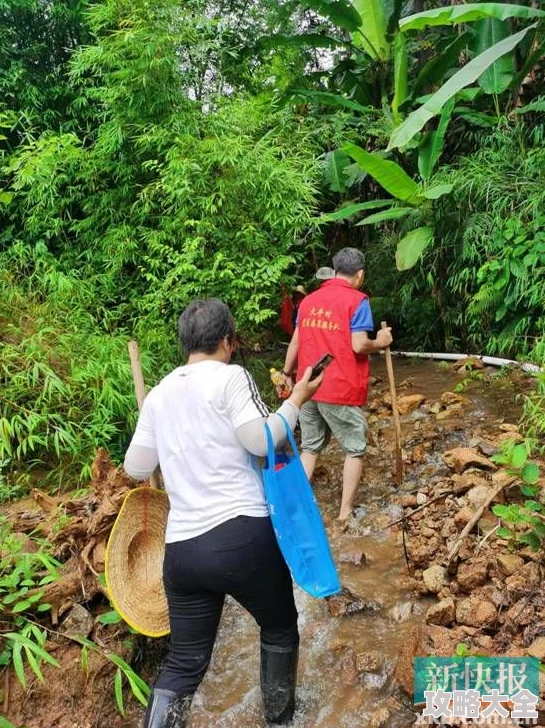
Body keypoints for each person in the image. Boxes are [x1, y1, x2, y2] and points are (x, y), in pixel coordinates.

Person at [123, 299, 323, 728]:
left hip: (182, 551)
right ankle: (279, 721)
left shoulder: (158, 394)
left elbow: (136, 467)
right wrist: (297, 400)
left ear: (185, 345)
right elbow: (258, 440)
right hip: (241, 537)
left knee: (184, 664)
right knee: (279, 628)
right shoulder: (232, 377)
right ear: (228, 341)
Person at [281, 248, 393, 527]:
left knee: (310, 448)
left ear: (333, 270)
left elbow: (295, 342)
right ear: (360, 274)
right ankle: (344, 514)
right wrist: (380, 341)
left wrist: (287, 374)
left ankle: (293, 510)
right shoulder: (357, 301)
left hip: (307, 386)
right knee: (354, 449)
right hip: (339, 388)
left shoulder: (308, 301)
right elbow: (358, 344)